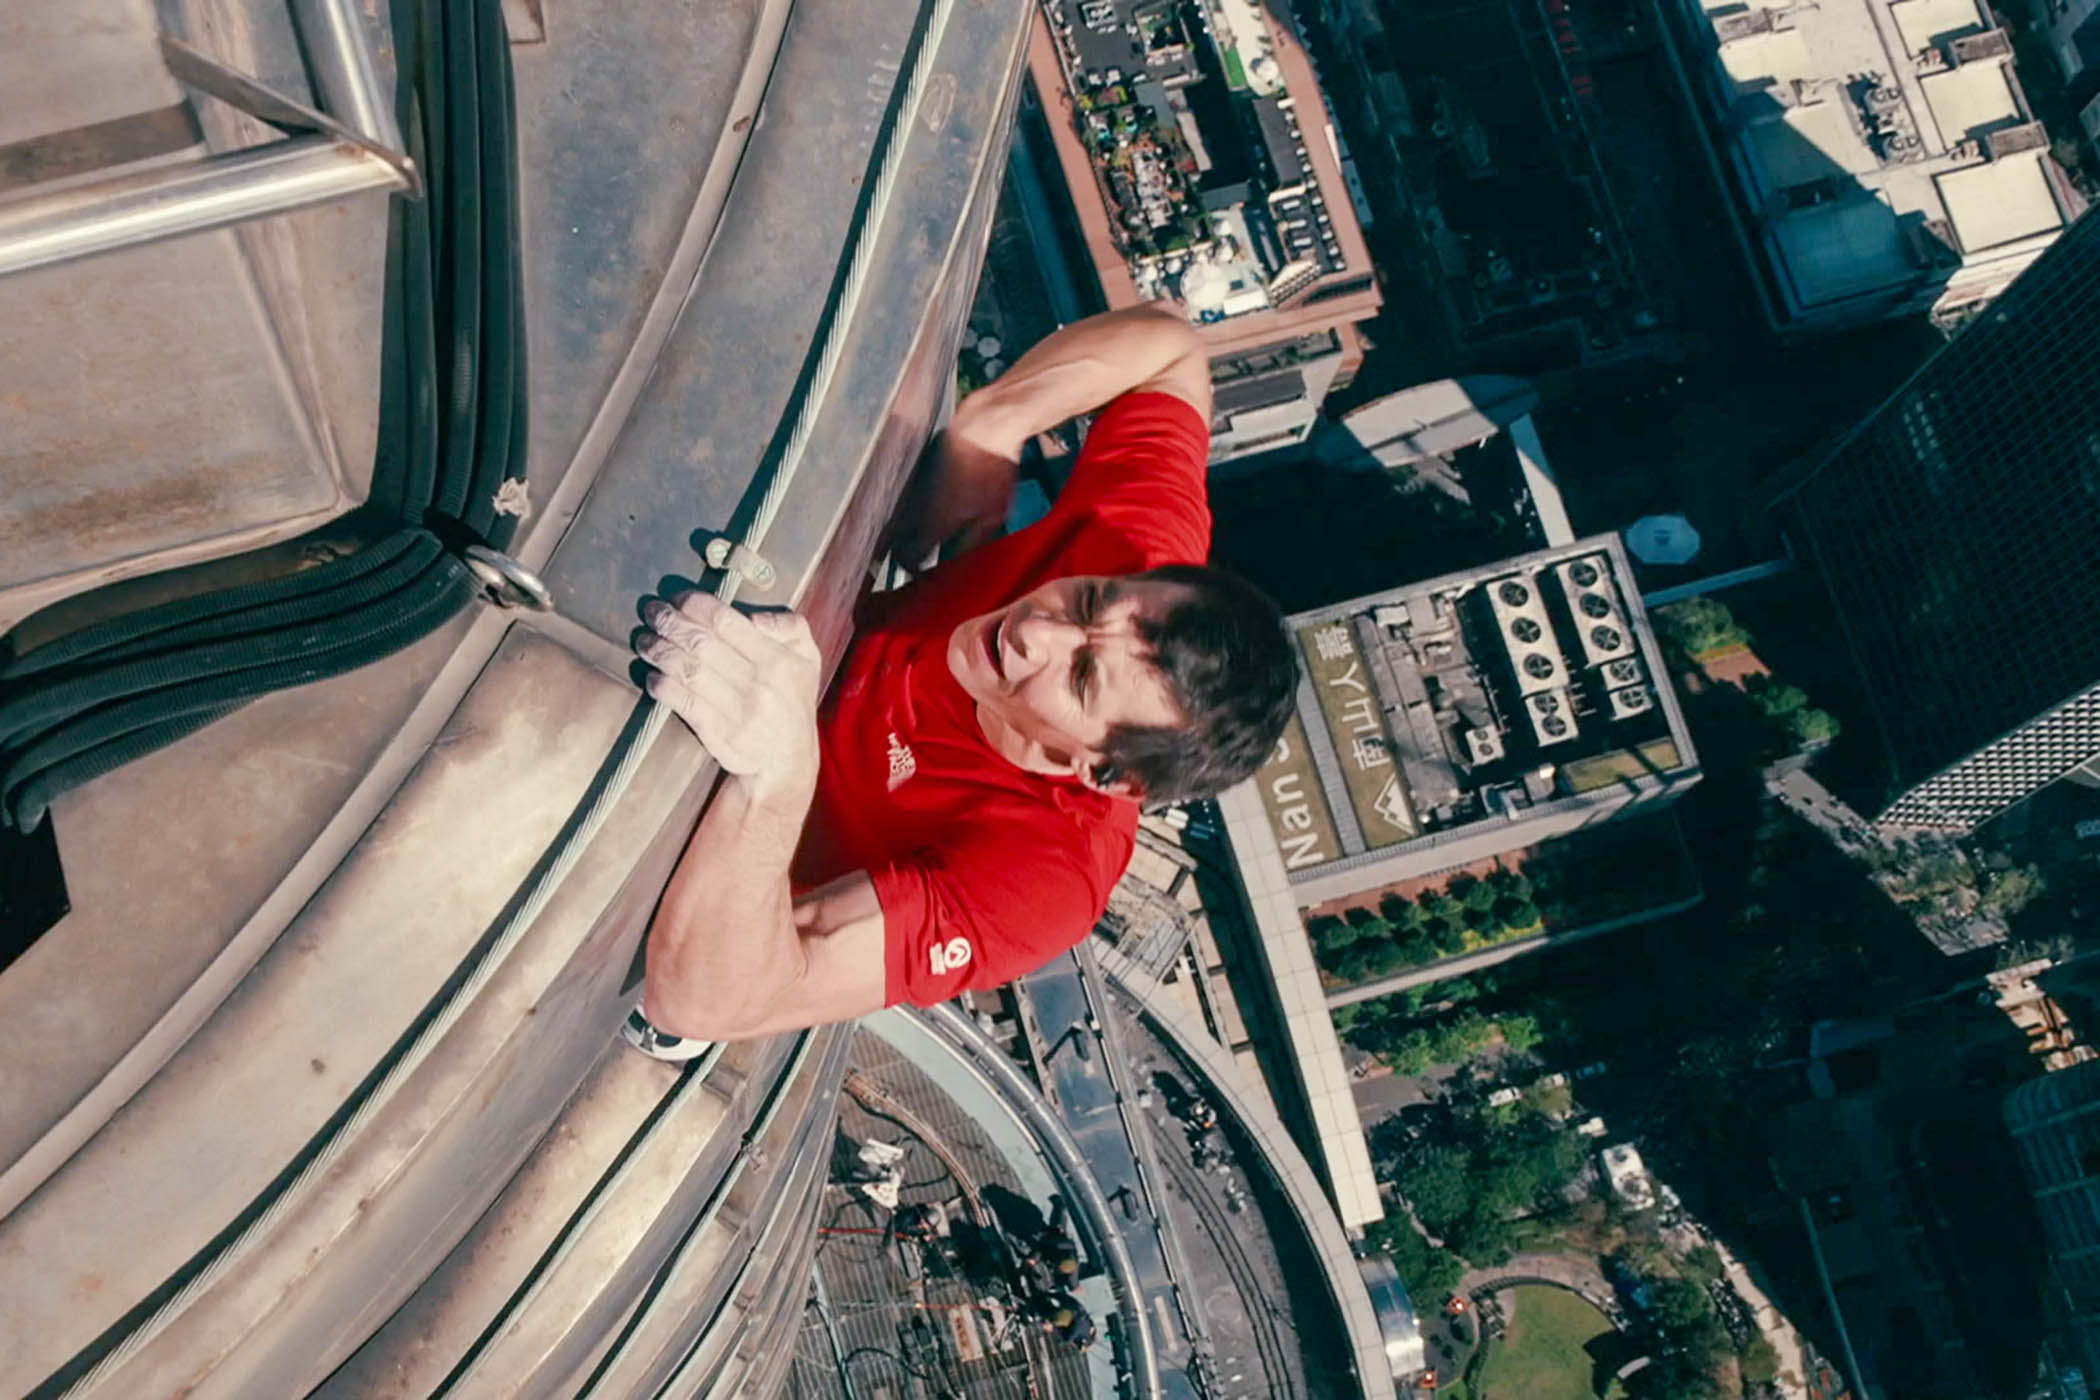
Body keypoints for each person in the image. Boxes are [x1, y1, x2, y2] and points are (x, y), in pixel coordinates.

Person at [627, 306, 1296, 1046]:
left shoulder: (1041, 877)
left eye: (1078, 674)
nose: (1035, 627)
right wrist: (994, 422)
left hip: (692, 850)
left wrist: (778, 779)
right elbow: (1171, 350)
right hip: (764, 633)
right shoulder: (1130, 555)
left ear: (1105, 773)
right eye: (1088, 600)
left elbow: (707, 1005)